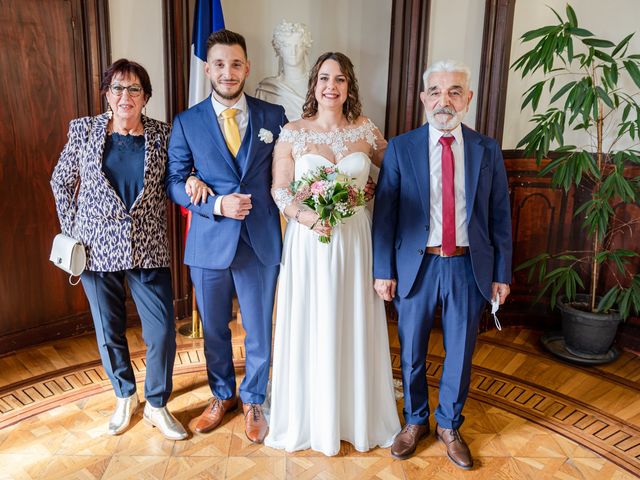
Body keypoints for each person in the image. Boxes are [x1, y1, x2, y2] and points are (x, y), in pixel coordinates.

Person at [372, 60, 512, 468]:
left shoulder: (486, 150)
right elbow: (385, 214)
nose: (443, 100)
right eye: (435, 91)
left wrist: (502, 273)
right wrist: (384, 269)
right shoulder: (401, 148)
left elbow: (500, 215)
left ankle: (449, 423)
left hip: (468, 267)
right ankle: (415, 421)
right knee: (412, 350)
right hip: (417, 266)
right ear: (422, 98)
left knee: (460, 352)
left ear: (468, 99)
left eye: (454, 92)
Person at [265, 51, 401, 456]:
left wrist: (372, 190)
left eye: (339, 79)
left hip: (355, 239)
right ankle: (310, 417)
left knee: (352, 318)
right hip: (310, 243)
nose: (331, 86)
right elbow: (280, 190)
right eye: (324, 78)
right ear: (314, 85)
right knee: (313, 317)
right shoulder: (293, 132)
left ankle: (354, 416)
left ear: (349, 87)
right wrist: (305, 218)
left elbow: (396, 168)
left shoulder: (367, 131)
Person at [50, 59, 187, 441]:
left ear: (146, 97)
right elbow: (60, 182)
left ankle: (157, 404)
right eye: (117, 88)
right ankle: (124, 395)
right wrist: (73, 232)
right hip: (95, 250)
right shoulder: (84, 131)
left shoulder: (164, 134)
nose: (125, 96)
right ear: (106, 94)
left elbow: (176, 179)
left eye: (134, 89)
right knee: (110, 330)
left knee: (161, 332)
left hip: (148, 248)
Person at [165, 29, 287, 444]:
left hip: (260, 240)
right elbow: (176, 181)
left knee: (258, 326)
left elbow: (288, 172)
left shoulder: (275, 117)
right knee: (214, 328)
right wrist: (214, 203)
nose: (228, 72)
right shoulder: (186, 121)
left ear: (247, 68)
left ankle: (254, 398)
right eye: (219, 64)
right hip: (209, 240)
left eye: (236, 64)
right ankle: (222, 395)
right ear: (208, 69)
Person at [254, 19, 312, 120]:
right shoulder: (267, 88)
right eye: (287, 46)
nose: (293, 52)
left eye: (298, 46)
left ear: (305, 48)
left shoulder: (318, 84)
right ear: (279, 49)